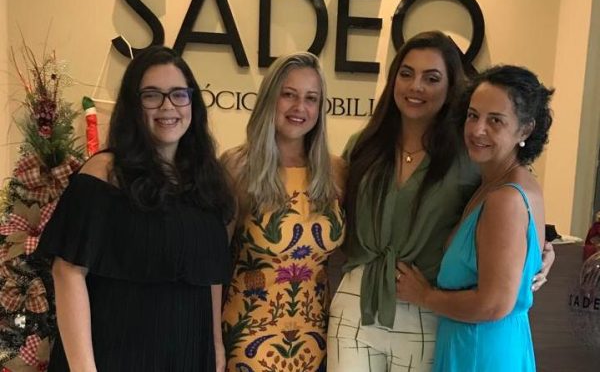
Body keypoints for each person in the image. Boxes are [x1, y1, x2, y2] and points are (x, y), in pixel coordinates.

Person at [326, 32, 554, 372]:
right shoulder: (364, 145)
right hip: (357, 300)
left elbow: (512, 211)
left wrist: (542, 250)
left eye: (432, 78)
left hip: (427, 307)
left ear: (451, 88)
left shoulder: (470, 156)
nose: (416, 86)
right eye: (406, 73)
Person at [37, 46, 234, 371]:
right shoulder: (105, 172)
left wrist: (215, 347)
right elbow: (67, 272)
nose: (168, 106)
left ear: (192, 102)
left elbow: (209, 275)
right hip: (115, 354)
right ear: (133, 105)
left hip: (188, 354)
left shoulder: (206, 180)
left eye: (179, 94)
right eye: (152, 95)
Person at [396, 64, 553, 371]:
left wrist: (424, 296)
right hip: (481, 345)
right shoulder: (500, 184)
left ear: (525, 130)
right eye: (473, 115)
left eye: (495, 120)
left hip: (482, 352)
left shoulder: (505, 199)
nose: (478, 129)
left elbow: (493, 304)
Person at [221, 52, 346, 372]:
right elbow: (213, 262)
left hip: (317, 343)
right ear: (269, 98)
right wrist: (212, 343)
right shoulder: (238, 167)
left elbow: (341, 261)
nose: (299, 107)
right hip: (249, 343)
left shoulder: (335, 171)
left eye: (311, 98)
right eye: (288, 94)